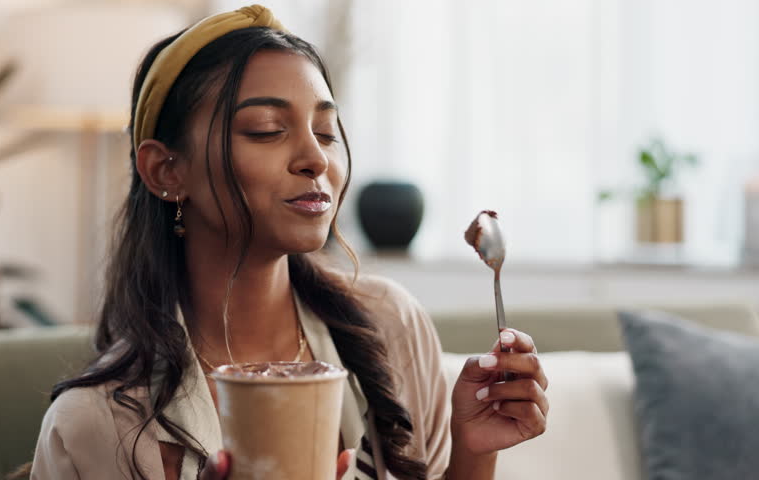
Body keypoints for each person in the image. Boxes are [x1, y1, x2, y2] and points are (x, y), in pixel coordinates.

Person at [28, 5, 548, 480]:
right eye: (266, 129)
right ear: (166, 170)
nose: (315, 159)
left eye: (325, 132)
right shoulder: (92, 428)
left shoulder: (392, 327)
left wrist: (474, 453)